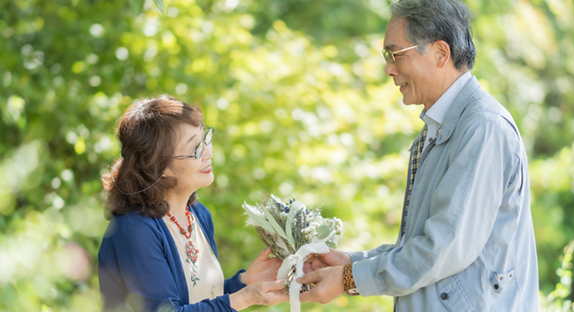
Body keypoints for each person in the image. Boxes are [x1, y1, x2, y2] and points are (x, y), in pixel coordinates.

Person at [298, 0, 541, 311]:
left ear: (440, 53)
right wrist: (350, 263)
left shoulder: (482, 127)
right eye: (387, 56)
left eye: (395, 54)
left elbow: (444, 248)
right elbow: (419, 247)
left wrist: (349, 278)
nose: (388, 69)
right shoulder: (438, 129)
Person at [98, 95, 288, 311]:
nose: (209, 152)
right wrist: (244, 298)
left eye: (205, 138)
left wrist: (245, 282)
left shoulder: (198, 214)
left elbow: (201, 299)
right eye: (196, 148)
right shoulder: (135, 230)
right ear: (158, 167)